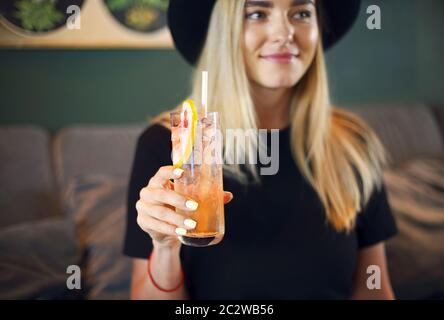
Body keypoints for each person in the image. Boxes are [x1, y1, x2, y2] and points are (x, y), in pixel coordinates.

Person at [123, 0, 398, 299]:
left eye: (302, 13)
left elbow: (374, 288)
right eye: (257, 14)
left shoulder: (352, 143)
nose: (285, 32)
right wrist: (165, 250)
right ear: (223, 34)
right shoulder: (169, 145)